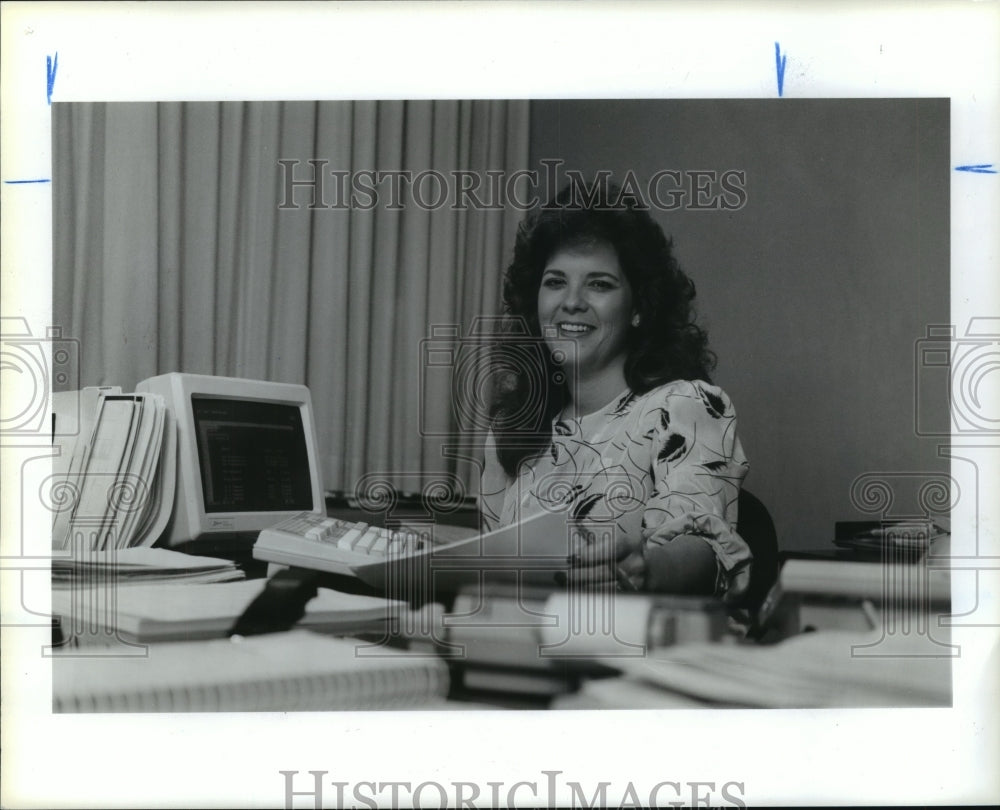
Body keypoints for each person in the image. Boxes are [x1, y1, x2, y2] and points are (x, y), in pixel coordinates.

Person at [480, 181, 752, 601]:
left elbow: (705, 547)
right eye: (555, 282)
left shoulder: (683, 407)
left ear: (639, 307)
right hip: (526, 648)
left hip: (641, 650)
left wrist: (648, 567)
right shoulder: (510, 430)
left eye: (599, 284)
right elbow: (492, 581)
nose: (571, 301)